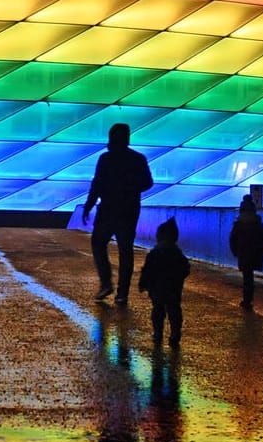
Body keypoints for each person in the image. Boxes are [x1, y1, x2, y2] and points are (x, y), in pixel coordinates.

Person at [80, 122, 153, 304]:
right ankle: (122, 293)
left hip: (108, 209)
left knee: (98, 243)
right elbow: (148, 183)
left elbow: (96, 184)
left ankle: (106, 283)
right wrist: (130, 187)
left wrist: (89, 205)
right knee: (125, 251)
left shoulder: (106, 159)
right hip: (129, 210)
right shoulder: (138, 159)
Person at [137, 218, 191, 348]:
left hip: (157, 288)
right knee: (174, 310)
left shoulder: (155, 253)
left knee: (158, 311)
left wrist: (143, 284)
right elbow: (185, 268)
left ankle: (158, 333)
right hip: (174, 288)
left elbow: (147, 270)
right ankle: (175, 333)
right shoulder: (177, 254)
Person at [228, 194, 263, 309]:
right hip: (254, 252)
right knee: (249, 276)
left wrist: (235, 251)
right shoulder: (258, 225)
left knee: (247, 276)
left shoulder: (239, 225)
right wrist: (262, 252)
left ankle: (247, 300)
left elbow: (233, 238)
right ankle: (248, 299)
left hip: (243, 252)